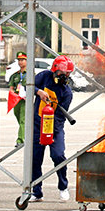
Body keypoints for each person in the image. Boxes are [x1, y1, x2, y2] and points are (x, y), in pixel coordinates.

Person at [30, 55, 75, 202]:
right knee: (35, 159)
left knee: (58, 156)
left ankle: (63, 186)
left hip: (54, 127)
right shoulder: (44, 76)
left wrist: (50, 129)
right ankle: (36, 191)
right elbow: (28, 85)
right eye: (62, 72)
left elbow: (61, 117)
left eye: (67, 73)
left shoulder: (67, 92)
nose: (65, 76)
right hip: (37, 125)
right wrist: (39, 92)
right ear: (55, 70)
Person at [8, 51, 28, 147]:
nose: (21, 62)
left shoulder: (30, 74)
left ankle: (20, 140)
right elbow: (11, 88)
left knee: (23, 119)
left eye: (23, 60)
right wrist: (13, 94)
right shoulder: (15, 75)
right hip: (16, 100)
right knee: (18, 116)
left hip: (25, 100)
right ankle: (26, 132)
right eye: (19, 60)